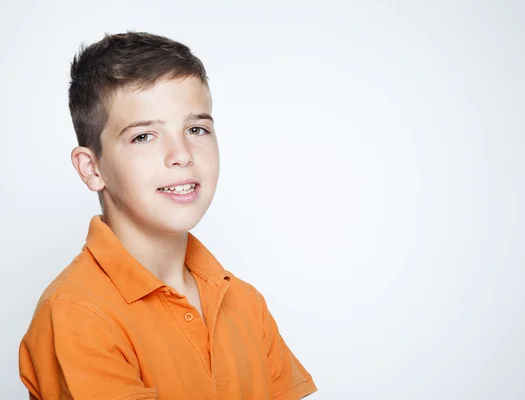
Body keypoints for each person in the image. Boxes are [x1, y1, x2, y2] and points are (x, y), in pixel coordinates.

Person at [18, 31, 317, 400]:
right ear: (92, 168)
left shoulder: (243, 301)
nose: (181, 154)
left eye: (196, 129)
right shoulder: (76, 315)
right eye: (144, 136)